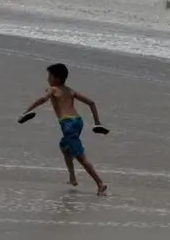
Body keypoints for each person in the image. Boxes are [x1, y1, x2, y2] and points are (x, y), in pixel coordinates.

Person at [20, 63, 108, 195]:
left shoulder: (53, 89)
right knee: (64, 147)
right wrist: (97, 122)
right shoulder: (70, 91)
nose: (47, 79)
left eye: (49, 76)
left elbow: (43, 99)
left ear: (56, 78)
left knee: (80, 157)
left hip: (67, 124)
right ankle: (72, 178)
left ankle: (100, 183)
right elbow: (91, 103)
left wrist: (28, 110)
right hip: (78, 122)